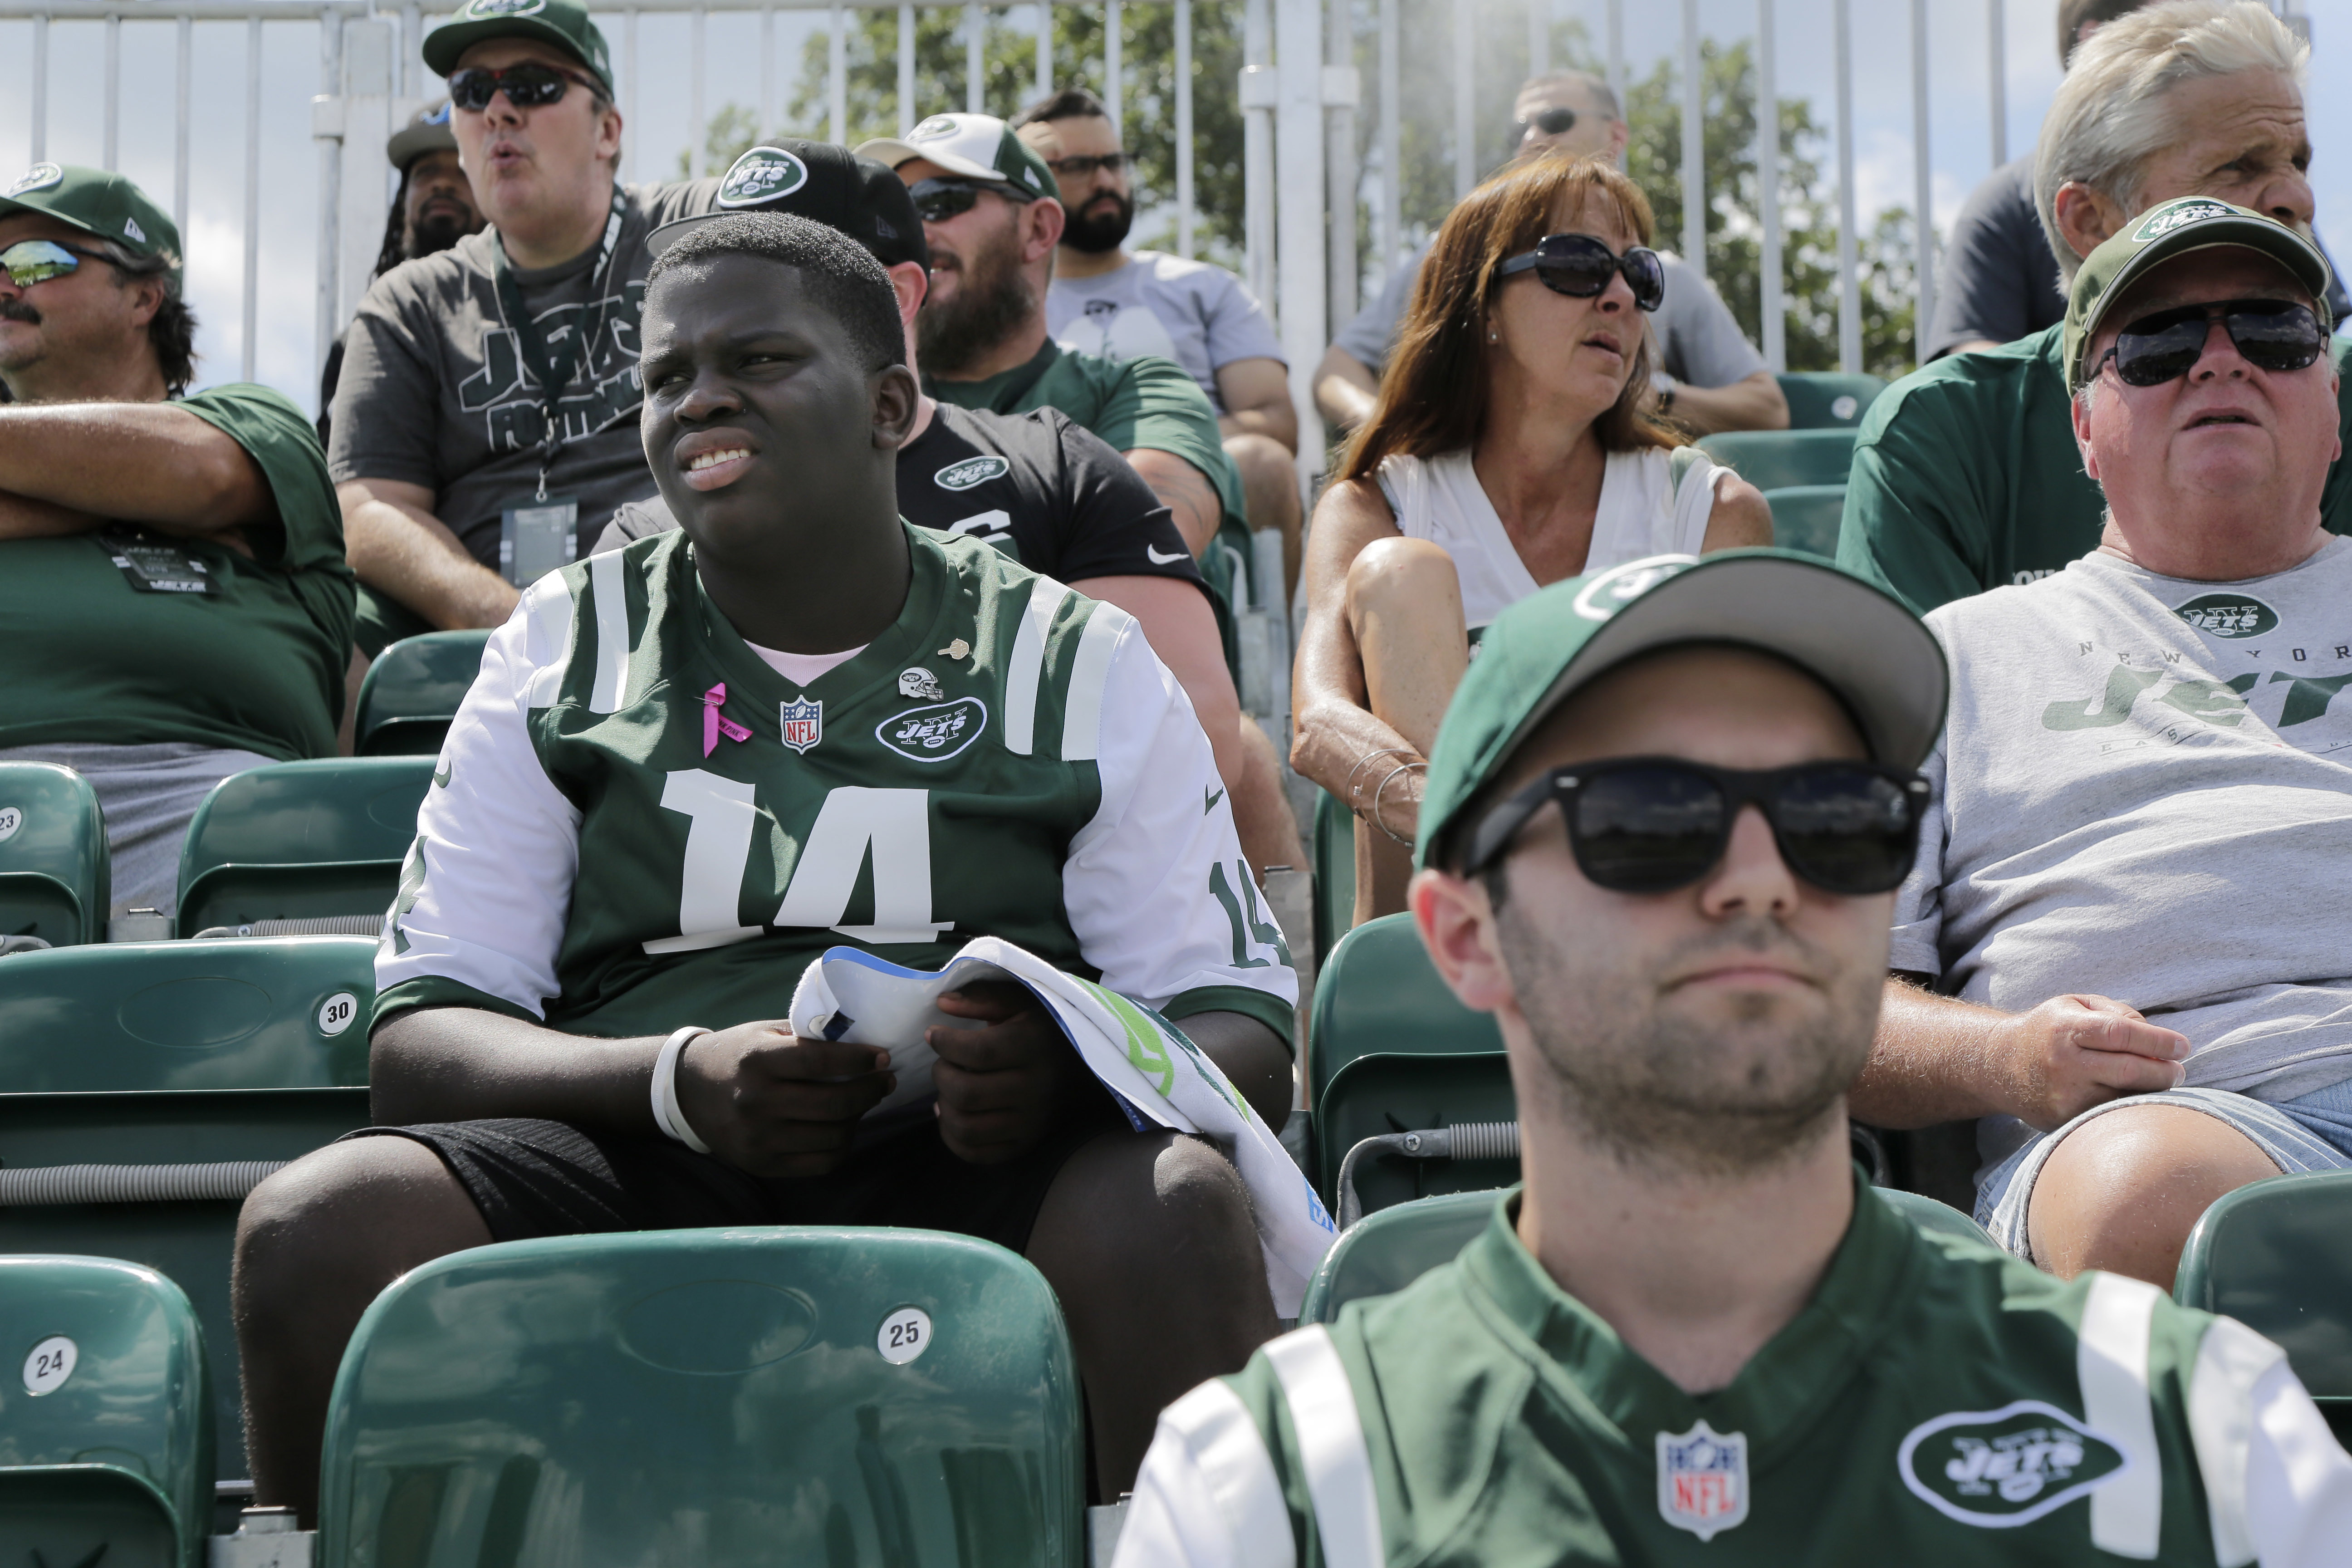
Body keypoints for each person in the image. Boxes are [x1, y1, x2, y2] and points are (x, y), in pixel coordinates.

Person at [233, 213, 1298, 1522]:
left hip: (977, 1164)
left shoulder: (1072, 654)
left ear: (893, 404)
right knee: (321, 1225)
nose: (702, 398)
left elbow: (1241, 1023)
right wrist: (672, 1083)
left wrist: (1074, 1072)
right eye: (667, 376)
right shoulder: (562, 645)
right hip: (641, 1150)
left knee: (1172, 1203)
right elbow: (424, 1038)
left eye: (760, 359)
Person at [1116, 546, 2352, 1565]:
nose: (1761, 878)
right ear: (1463, 935)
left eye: (1835, 819)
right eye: (1650, 819)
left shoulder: (2189, 1437)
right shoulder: (1276, 1497)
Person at [1848, 200, 2352, 1298]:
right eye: (2158, 344)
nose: (2218, 361)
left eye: (2271, 332)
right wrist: (2006, 1059)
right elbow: (1833, 1005)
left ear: (2331, 405)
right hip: (2193, 1121)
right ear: (2084, 429)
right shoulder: (1949, 657)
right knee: (2142, 1195)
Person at [596, 143, 1251, 875]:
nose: (726, 295)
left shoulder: (1057, 468)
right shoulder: (644, 532)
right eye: (714, 265)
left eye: (782, 263)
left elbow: (1195, 740)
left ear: (900, 295)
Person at [1291, 152, 1770, 925]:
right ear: (1480, 304)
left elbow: (1740, 760)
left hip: (1644, 924)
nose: (1619, 297)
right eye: (1577, 265)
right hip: (1434, 935)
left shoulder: (1709, 511)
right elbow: (1318, 725)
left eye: (1638, 277)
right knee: (1399, 573)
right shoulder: (1378, 504)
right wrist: (1489, 836)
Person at [858, 113, 1305, 876]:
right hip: (881, 723)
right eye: (895, 217)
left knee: (1244, 751)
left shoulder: (1132, 384)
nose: (912, 233)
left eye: (937, 203)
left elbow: (1155, 525)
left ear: (1038, 230)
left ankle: (1259, 994)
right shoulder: (853, 406)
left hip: (1096, 729)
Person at [1838, 0, 2352, 615]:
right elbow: (1918, 707)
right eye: (2238, 166)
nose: (2299, 196)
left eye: (2297, 160)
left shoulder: (2339, 393)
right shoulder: (1936, 435)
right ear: (2090, 219)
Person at [330, 0, 809, 658]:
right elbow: (367, 512)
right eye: (473, 92)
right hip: (480, 625)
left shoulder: (700, 230)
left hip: (684, 586)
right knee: (334, 619)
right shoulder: (410, 301)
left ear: (607, 130)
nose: (498, 111)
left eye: (532, 86)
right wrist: (524, 629)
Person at [0, 164, 352, 921]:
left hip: (219, 819)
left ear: (143, 294)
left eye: (36, 261)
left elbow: (200, 472)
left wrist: (122, 483)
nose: (5, 284)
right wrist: (103, 493)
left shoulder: (253, 419)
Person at [1312, 70, 1789, 440]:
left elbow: (1769, 410)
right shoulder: (1449, 254)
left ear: (1616, 137)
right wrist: (1390, 438)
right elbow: (1337, 369)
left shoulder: (1673, 279)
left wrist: (1654, 397)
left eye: (1556, 120)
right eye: (1521, 127)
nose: (1532, 138)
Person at [1014, 88, 1304, 598]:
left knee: (1263, 462)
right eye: (1077, 167)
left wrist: (1155, 453)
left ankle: (1262, 670)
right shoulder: (1009, 306)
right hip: (1053, 492)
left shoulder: (1203, 287)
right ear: (1031, 188)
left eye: (1113, 162)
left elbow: (1275, 421)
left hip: (1200, 482)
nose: (1105, 181)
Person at [317, 99, 485, 446]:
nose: (442, 184)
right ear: (403, 200)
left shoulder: (534, 318)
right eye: (425, 173)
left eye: (462, 169)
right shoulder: (361, 340)